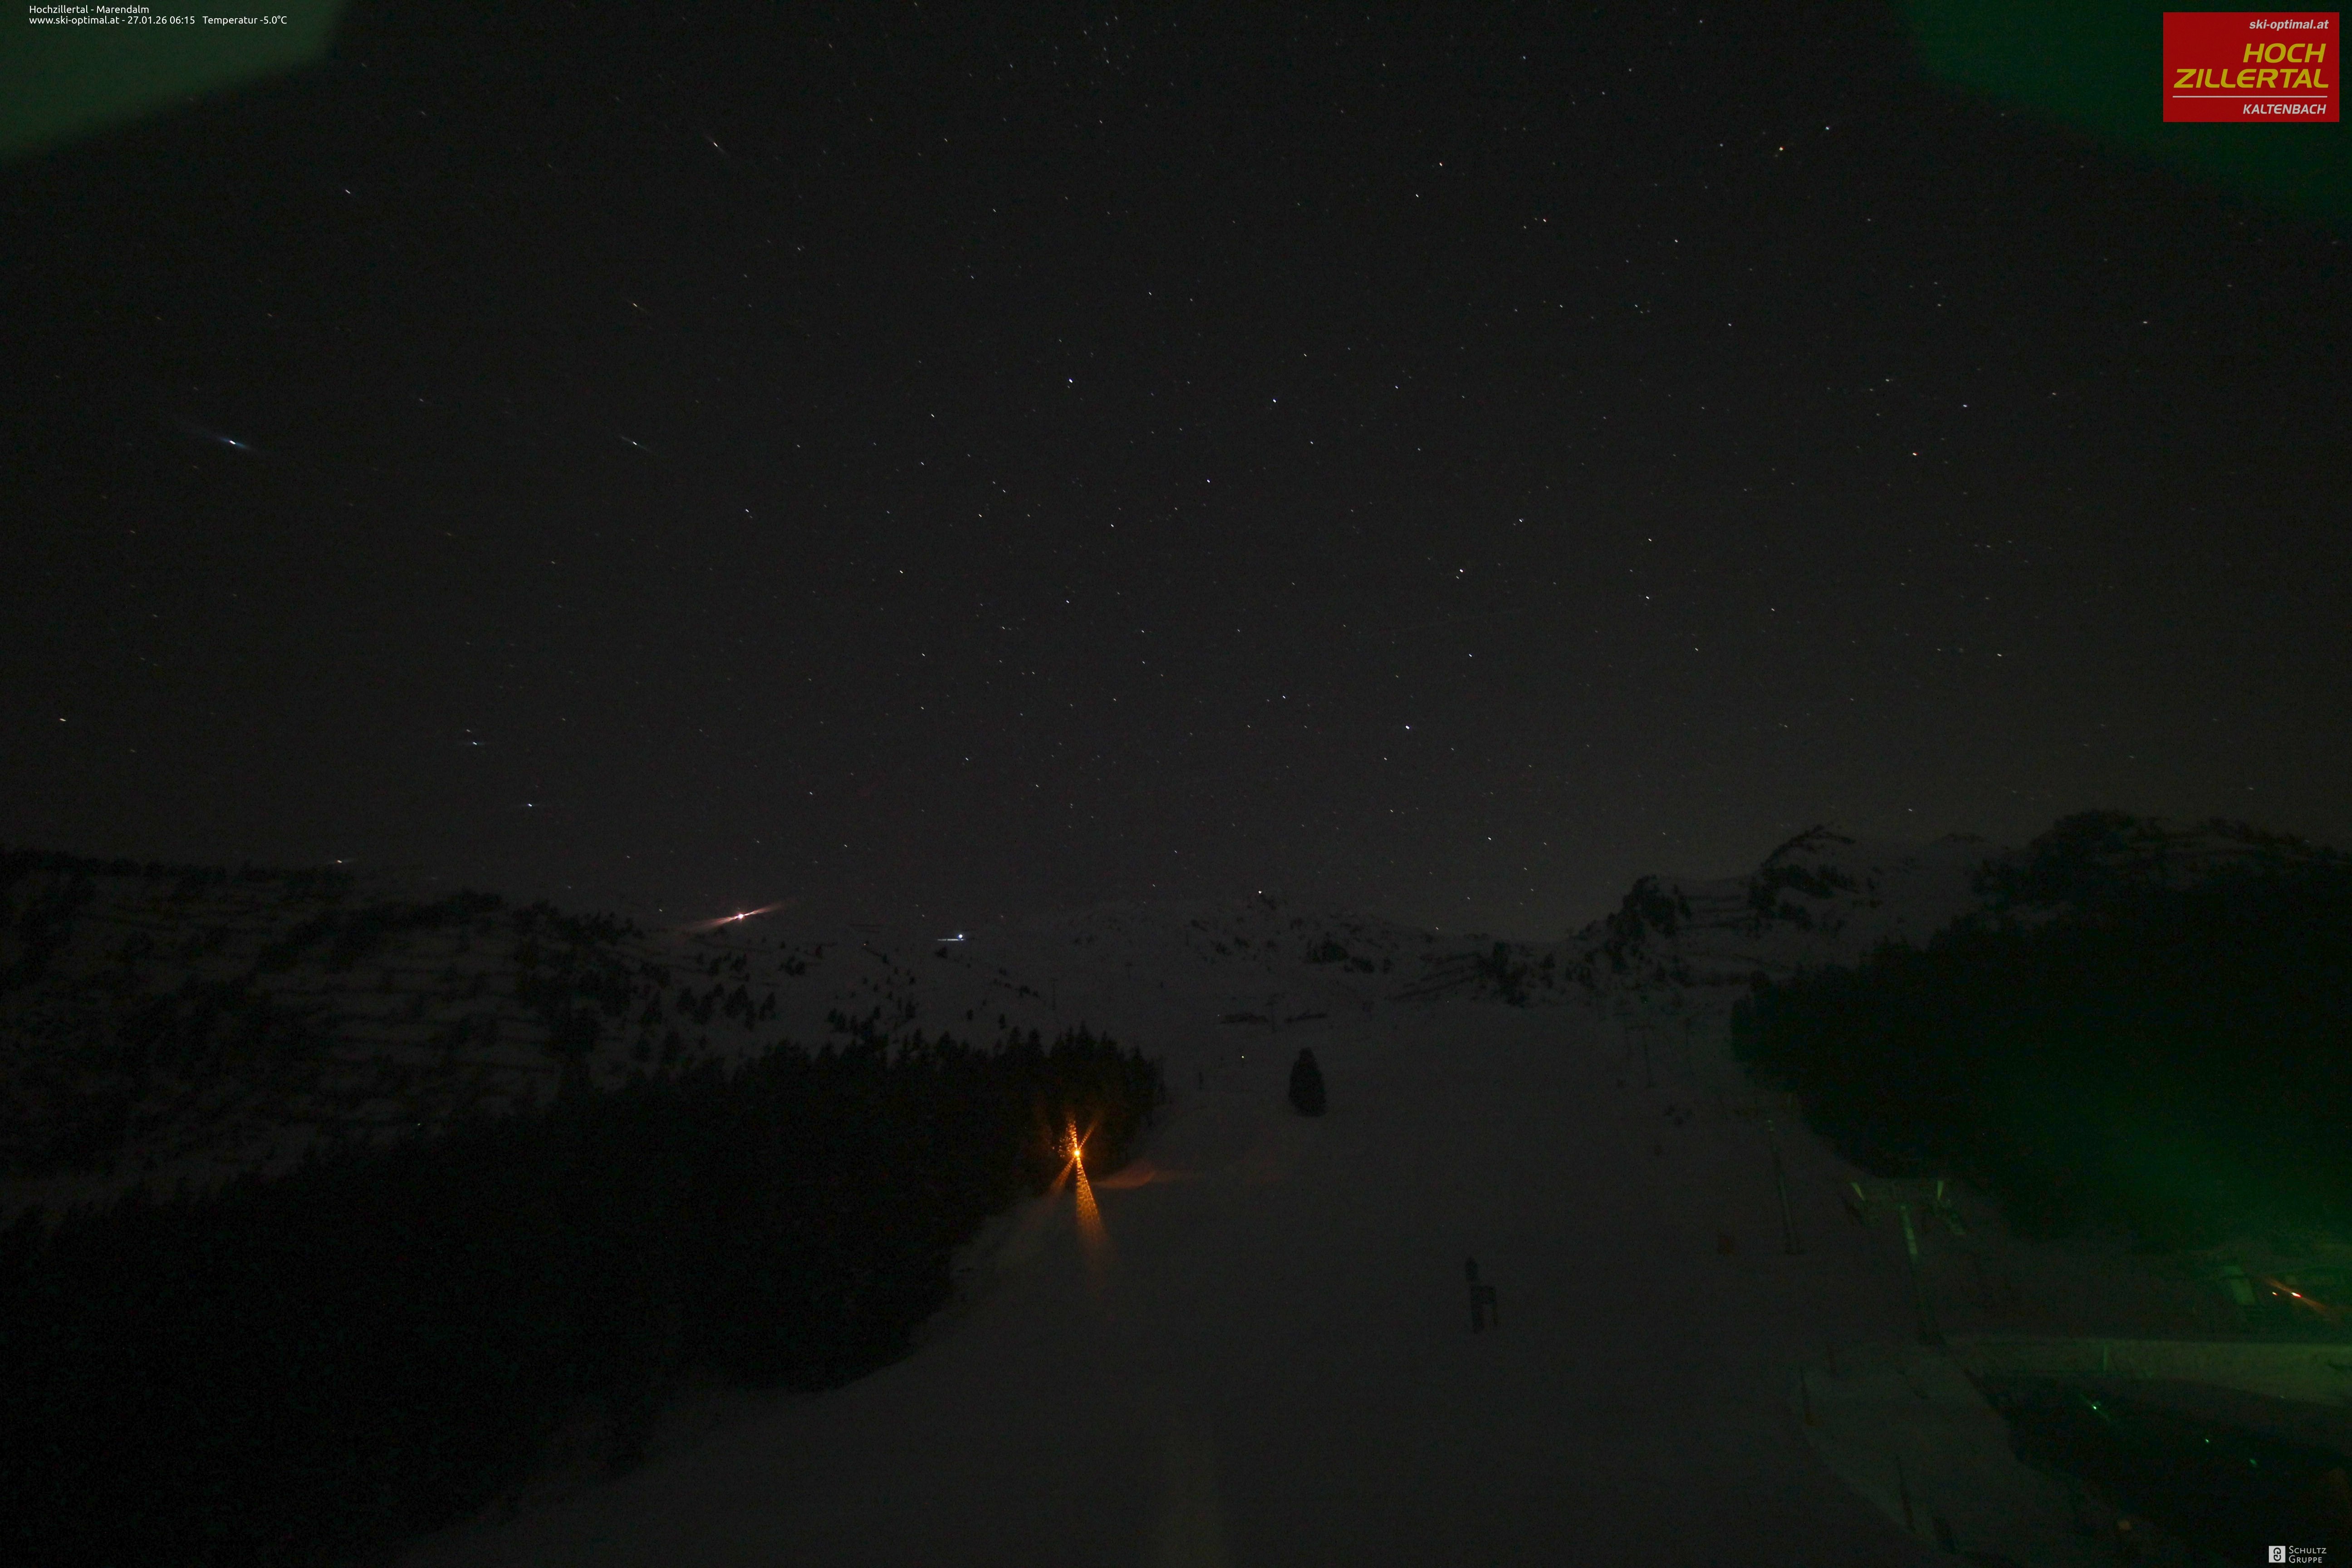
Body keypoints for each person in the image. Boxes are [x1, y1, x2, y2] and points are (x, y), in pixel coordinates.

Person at [1287, 1047, 1326, 1116]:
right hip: (1302, 1095)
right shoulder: (1298, 1067)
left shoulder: (1313, 1068)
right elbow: (1294, 1082)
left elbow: (1319, 1083)